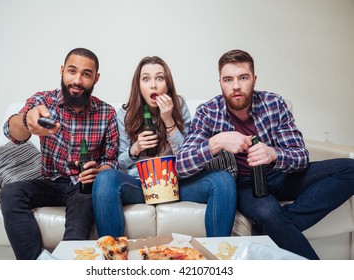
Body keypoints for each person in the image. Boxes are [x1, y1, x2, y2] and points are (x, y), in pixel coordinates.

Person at [176, 49, 354, 259]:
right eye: (228, 79)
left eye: (243, 78)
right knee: (269, 213)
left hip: (281, 175)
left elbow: (300, 156)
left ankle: (275, 226)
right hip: (244, 185)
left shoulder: (274, 104)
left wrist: (274, 154)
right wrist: (217, 142)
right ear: (220, 82)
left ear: (254, 79)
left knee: (350, 169)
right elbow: (181, 166)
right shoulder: (208, 112)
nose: (236, 86)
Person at [92, 56, 237, 238]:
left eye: (159, 78)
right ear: (138, 85)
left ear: (167, 84)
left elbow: (190, 155)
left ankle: (217, 256)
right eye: (146, 79)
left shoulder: (180, 106)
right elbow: (120, 163)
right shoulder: (124, 114)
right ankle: (113, 257)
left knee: (223, 180)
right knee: (105, 178)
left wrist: (169, 121)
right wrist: (134, 149)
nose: (153, 85)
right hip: (141, 185)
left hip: (177, 183)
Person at [0, 48, 119, 259]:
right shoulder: (43, 101)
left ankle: (67, 267)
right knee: (10, 193)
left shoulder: (106, 112)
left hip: (82, 187)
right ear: (62, 71)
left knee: (84, 203)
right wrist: (27, 119)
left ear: (96, 78)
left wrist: (100, 170)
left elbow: (111, 160)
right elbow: (13, 132)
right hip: (50, 182)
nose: (77, 80)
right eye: (72, 71)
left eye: (86, 74)